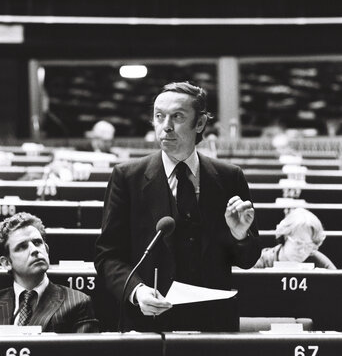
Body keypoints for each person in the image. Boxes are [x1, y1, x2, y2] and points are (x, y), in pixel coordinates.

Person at [95, 81, 261, 331]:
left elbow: (248, 259)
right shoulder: (127, 177)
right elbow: (108, 255)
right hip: (148, 321)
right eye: (159, 117)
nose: (166, 127)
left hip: (214, 324)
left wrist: (239, 235)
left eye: (177, 117)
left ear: (201, 123)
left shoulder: (229, 177)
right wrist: (137, 292)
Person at [0, 212, 99, 332]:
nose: (34, 250)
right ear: (6, 263)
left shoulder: (78, 302)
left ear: (46, 250)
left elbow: (83, 351)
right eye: (22, 247)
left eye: (37, 242)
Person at [254, 207, 336, 269]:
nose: (303, 251)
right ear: (285, 236)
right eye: (298, 243)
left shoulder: (319, 262)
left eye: (309, 246)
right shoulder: (261, 262)